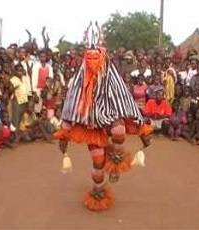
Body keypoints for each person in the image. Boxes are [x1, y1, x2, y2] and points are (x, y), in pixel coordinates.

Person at [54, 25, 152, 211]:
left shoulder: (112, 79)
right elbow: (70, 106)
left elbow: (126, 103)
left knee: (118, 129)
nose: (92, 61)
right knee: (97, 163)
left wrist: (141, 128)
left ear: (103, 57)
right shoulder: (78, 81)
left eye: (96, 57)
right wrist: (64, 134)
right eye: (89, 57)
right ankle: (98, 190)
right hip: (90, 125)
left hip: (110, 118)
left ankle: (115, 161)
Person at [31, 50, 53, 114]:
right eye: (41, 56)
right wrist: (34, 91)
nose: (43, 58)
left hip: (47, 89)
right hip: (38, 89)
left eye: (44, 56)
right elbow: (33, 79)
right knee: (38, 108)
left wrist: (46, 88)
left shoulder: (49, 67)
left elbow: (50, 78)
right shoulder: (36, 66)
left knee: (47, 107)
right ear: (39, 57)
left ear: (46, 57)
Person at [10, 64, 28, 132]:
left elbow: (27, 90)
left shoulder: (25, 78)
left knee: (21, 119)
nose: (20, 72)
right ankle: (15, 136)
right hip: (17, 101)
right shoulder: (12, 80)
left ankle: (19, 135)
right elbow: (10, 90)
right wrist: (14, 88)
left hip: (24, 101)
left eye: (21, 70)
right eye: (18, 70)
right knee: (16, 119)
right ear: (15, 71)